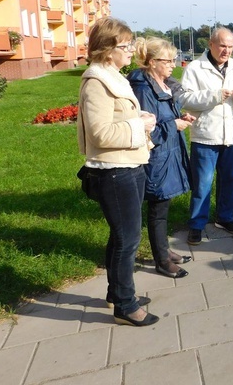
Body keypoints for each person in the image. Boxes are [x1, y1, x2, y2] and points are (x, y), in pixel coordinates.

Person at [77, 17, 159, 327]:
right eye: (125, 45)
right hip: (113, 171)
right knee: (128, 239)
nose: (131, 50)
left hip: (129, 165)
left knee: (122, 234)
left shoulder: (113, 75)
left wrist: (139, 116)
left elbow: (117, 117)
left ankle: (116, 291)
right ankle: (125, 304)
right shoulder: (96, 81)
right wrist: (139, 125)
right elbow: (99, 133)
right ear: (109, 49)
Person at [178, 27, 233, 244]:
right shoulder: (195, 68)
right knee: (202, 183)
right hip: (205, 136)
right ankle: (197, 224)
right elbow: (185, 99)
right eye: (222, 46)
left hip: (232, 135)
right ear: (211, 44)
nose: (226, 51)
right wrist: (215, 96)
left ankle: (225, 217)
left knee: (230, 179)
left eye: (230, 46)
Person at [128, 37, 194, 278]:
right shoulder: (144, 90)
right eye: (168, 60)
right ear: (153, 62)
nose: (173, 65)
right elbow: (147, 130)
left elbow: (162, 117)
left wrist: (180, 117)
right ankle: (162, 261)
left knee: (163, 207)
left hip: (168, 154)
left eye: (174, 59)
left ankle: (165, 250)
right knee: (158, 210)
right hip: (157, 158)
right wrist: (173, 125)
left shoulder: (161, 84)